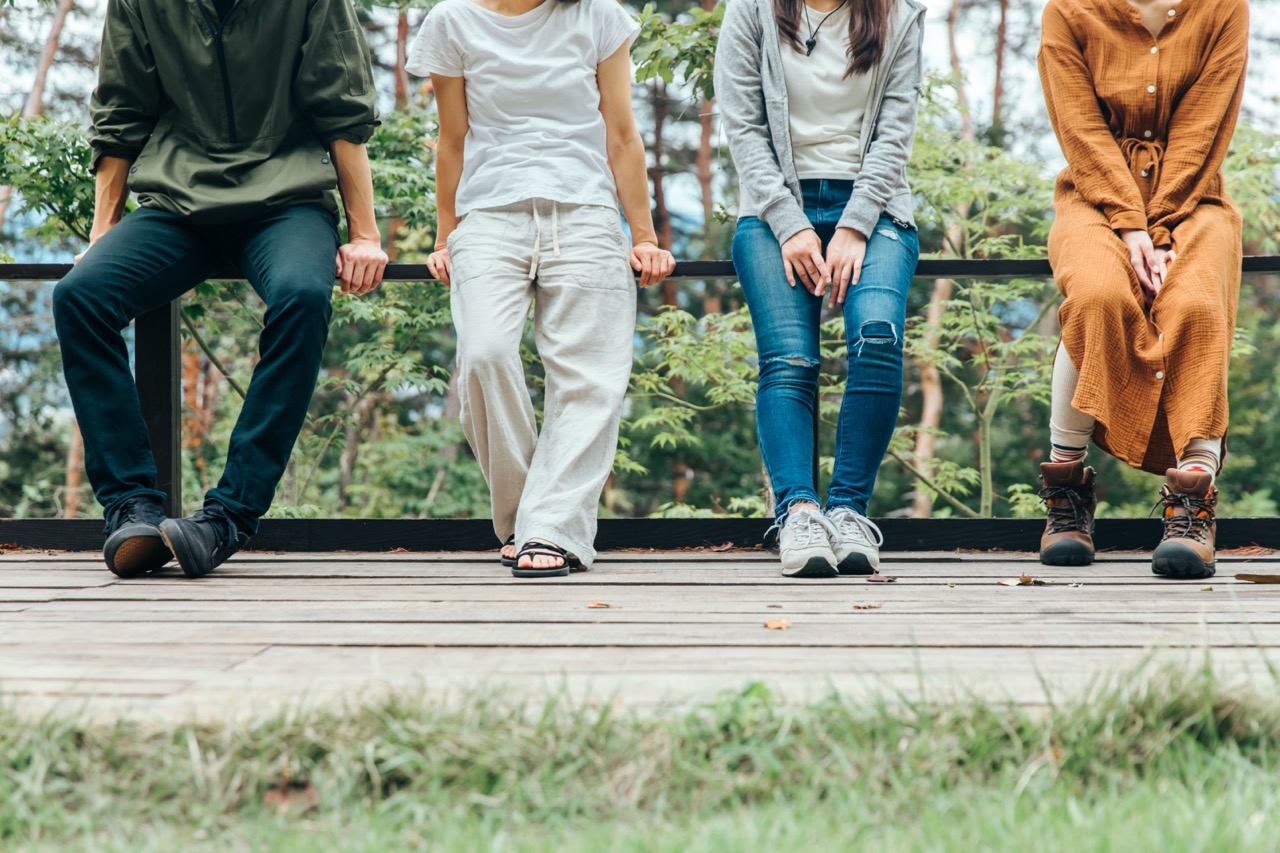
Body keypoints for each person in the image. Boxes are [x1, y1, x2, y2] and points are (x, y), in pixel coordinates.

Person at [53, 0, 387, 579]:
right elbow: (121, 113)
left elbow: (342, 112)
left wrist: (365, 234)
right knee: (79, 295)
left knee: (303, 296)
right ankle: (131, 506)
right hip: (176, 206)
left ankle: (228, 517)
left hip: (288, 205)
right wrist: (103, 234)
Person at [409, 0, 675, 577]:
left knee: (590, 378)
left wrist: (645, 234)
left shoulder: (600, 16)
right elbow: (451, 139)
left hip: (585, 210)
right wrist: (443, 235)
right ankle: (524, 517)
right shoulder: (451, 21)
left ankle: (551, 530)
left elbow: (622, 134)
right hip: (488, 213)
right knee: (484, 354)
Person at [1036, 0, 1248, 579]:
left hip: (1195, 197)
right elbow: (1078, 128)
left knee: (1197, 302)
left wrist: (1158, 228)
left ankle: (1193, 501)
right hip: (1093, 195)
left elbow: (1205, 127)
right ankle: (1067, 490)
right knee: (1099, 295)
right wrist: (1131, 226)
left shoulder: (1224, 10)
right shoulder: (1068, 13)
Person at [716, 0, 924, 578]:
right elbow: (744, 128)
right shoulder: (750, 13)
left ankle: (849, 511)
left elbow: (895, 134)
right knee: (788, 360)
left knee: (877, 339)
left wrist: (856, 225)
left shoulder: (898, 17)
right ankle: (799, 512)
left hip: (876, 209)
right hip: (772, 208)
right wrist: (789, 224)